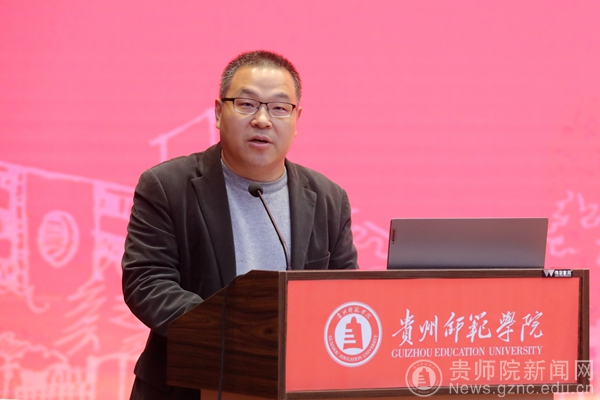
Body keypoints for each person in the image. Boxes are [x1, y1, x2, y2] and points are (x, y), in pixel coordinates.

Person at [122, 50, 358, 399]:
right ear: (219, 112)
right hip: (187, 385)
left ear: (296, 119)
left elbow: (343, 293)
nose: (262, 120)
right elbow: (147, 281)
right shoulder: (167, 186)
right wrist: (237, 334)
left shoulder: (328, 198)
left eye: (279, 108)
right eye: (247, 104)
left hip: (294, 386)